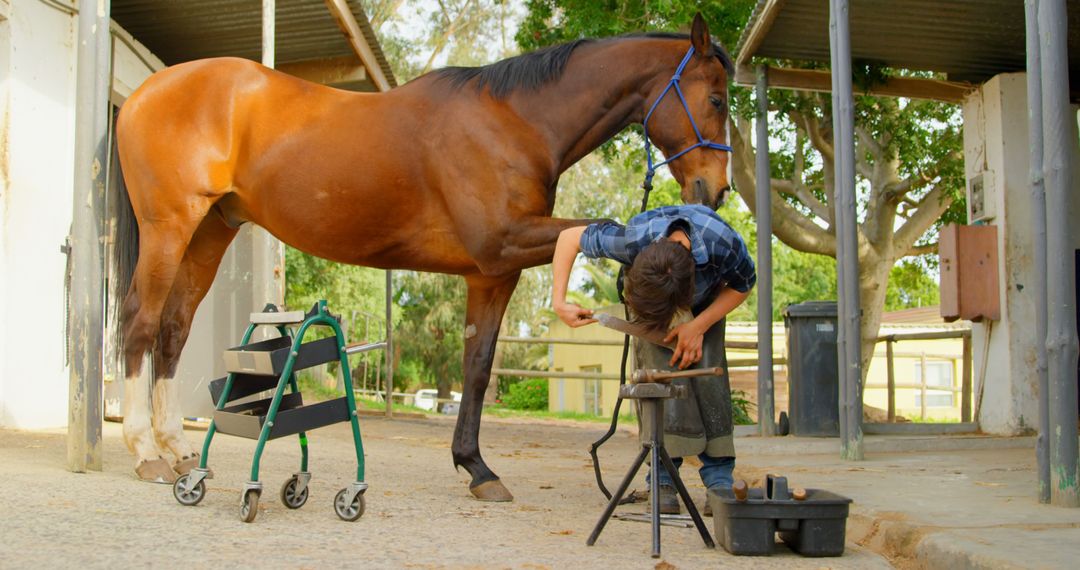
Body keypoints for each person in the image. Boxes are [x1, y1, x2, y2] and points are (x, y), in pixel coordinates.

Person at [551, 204, 755, 514]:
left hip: (706, 304)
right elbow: (569, 237)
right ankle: (662, 478)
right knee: (656, 378)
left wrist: (698, 325)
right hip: (648, 303)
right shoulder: (633, 239)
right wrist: (559, 301)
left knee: (710, 376)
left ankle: (719, 480)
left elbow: (743, 284)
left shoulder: (722, 243)